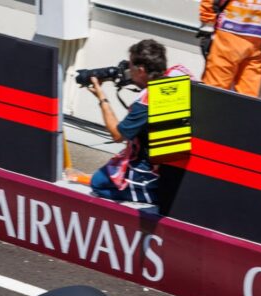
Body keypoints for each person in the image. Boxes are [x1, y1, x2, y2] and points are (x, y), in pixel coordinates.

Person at [81, 39, 193, 205]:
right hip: (178, 161)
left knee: (97, 183)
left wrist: (102, 97)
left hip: (150, 169)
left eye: (130, 66)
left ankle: (153, 195)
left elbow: (118, 135)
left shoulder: (146, 102)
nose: (128, 70)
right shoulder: (180, 76)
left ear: (141, 70)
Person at [198, 0, 261, 98]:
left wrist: (207, 23)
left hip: (229, 36)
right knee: (248, 96)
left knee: (214, 92)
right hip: (258, 39)